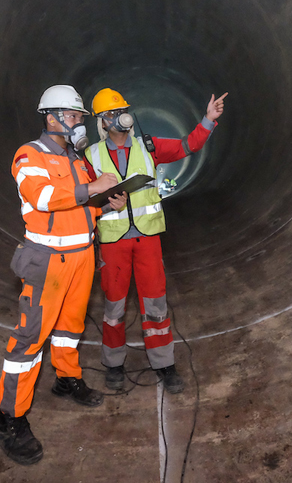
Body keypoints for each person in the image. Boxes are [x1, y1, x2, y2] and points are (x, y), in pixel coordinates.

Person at [0, 84, 126, 466]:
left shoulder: (78, 159)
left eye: (80, 117)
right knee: (29, 341)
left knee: (69, 327)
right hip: (47, 260)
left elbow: (85, 205)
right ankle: (9, 419)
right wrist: (90, 189)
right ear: (50, 117)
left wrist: (108, 200)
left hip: (82, 255)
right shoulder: (29, 155)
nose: (77, 123)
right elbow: (43, 198)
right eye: (72, 116)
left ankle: (67, 378)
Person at [84, 88, 227, 393]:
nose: (118, 118)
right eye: (110, 114)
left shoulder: (148, 147)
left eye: (121, 111)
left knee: (156, 305)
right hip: (113, 243)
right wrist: (109, 204)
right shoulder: (90, 157)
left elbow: (187, 146)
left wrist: (208, 120)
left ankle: (163, 363)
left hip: (147, 239)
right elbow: (83, 202)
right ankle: (113, 364)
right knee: (113, 307)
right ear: (101, 122)